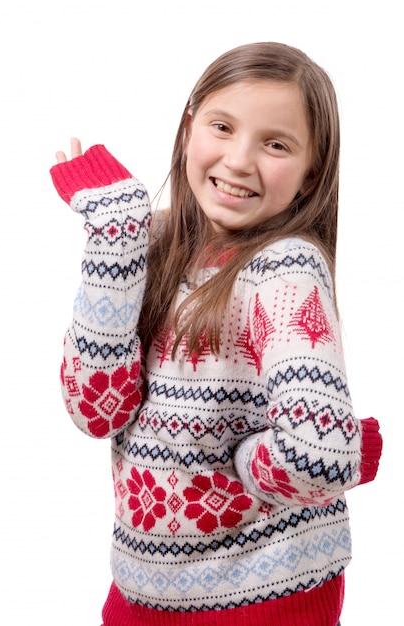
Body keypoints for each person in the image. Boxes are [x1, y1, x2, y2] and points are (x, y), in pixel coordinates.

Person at [50, 42, 382, 626]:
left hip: (265, 597)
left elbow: (320, 453)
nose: (237, 160)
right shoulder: (146, 245)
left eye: (275, 144)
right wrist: (115, 240)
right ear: (187, 130)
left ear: (310, 175)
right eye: (222, 127)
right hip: (140, 590)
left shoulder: (282, 270)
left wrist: (252, 466)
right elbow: (95, 411)